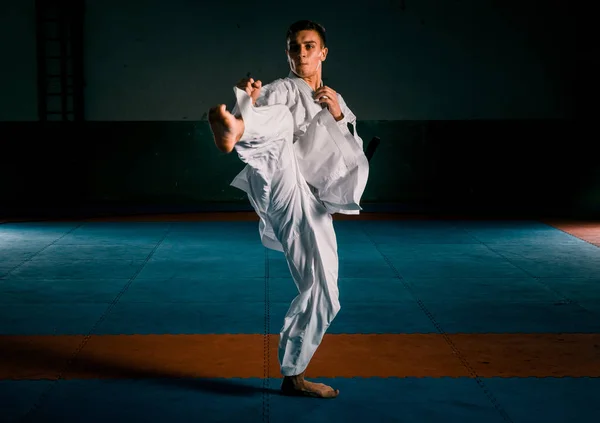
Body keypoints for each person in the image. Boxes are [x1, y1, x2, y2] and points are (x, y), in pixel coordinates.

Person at [208, 20, 369, 399]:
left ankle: (293, 375)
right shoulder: (280, 89)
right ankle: (235, 132)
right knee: (276, 122)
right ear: (287, 53)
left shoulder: (336, 99)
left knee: (326, 294)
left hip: (313, 202)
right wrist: (246, 103)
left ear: (323, 52)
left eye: (309, 46)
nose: (301, 53)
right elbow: (264, 117)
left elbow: (353, 152)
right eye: (294, 47)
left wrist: (339, 118)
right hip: (279, 179)